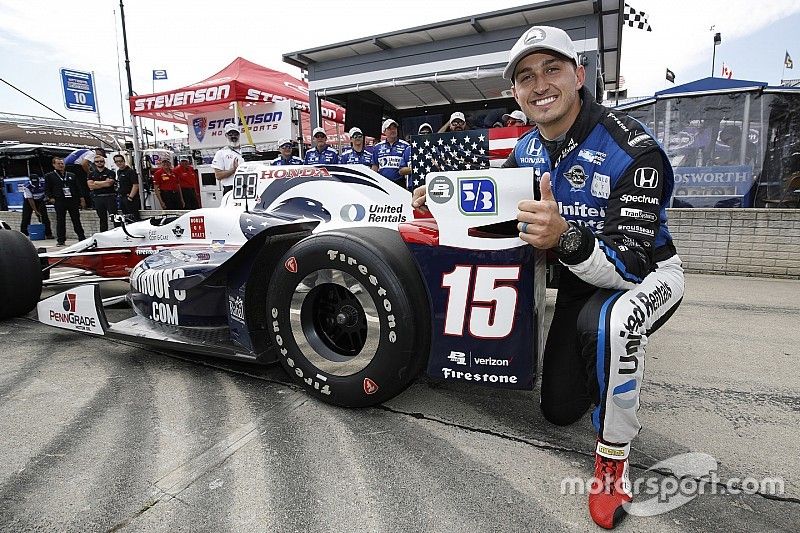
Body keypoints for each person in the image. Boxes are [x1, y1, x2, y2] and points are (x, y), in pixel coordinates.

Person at [412, 25, 684, 529]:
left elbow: (628, 267)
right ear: (514, 93)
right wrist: (440, 207)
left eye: (552, 69)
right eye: (525, 77)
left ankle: (612, 463)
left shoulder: (634, 150)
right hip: (582, 278)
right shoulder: (527, 150)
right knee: (558, 410)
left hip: (647, 275)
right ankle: (596, 366)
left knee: (611, 325)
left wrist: (565, 236)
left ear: (579, 76)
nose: (540, 84)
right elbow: (499, 215)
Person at [44, 156, 86, 246]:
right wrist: (51, 198)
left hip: (72, 200)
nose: (61, 165)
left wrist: (81, 199)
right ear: (54, 165)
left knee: (76, 219)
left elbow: (78, 188)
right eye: (58, 163)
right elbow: (47, 189)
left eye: (62, 163)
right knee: (60, 220)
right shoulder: (49, 176)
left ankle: (81, 237)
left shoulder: (71, 175)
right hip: (59, 200)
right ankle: (61, 240)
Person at [371, 119, 412, 189]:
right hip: (382, 183)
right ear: (384, 131)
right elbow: (375, 167)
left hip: (400, 183)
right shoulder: (377, 147)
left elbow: (409, 165)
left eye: (394, 128)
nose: (393, 130)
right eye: (389, 128)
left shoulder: (406, 146)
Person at [86, 154, 118, 232]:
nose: (99, 163)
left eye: (101, 161)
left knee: (114, 217)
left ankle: (118, 232)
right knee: (102, 218)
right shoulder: (91, 174)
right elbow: (90, 186)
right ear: (94, 163)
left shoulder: (110, 172)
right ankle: (103, 234)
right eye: (97, 162)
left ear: (104, 162)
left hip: (110, 197)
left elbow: (109, 184)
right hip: (98, 197)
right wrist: (103, 183)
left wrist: (96, 182)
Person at [212, 123, 245, 195]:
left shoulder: (246, 151)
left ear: (239, 135)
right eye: (230, 134)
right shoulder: (220, 153)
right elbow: (218, 175)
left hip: (246, 187)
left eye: (236, 134)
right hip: (230, 189)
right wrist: (232, 170)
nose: (233, 136)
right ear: (226, 135)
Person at [20, 174, 53, 239]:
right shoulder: (27, 186)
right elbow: (30, 200)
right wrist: (36, 211)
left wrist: (48, 198)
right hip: (29, 202)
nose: (35, 184)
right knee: (26, 217)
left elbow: (47, 192)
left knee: (45, 217)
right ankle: (23, 234)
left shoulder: (44, 183)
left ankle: (48, 233)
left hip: (40, 200)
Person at [114, 154, 140, 221]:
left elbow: (135, 185)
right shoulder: (118, 172)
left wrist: (130, 197)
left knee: (134, 217)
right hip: (122, 197)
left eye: (120, 161)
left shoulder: (130, 171)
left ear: (124, 161)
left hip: (130, 198)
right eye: (117, 161)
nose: (119, 163)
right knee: (126, 217)